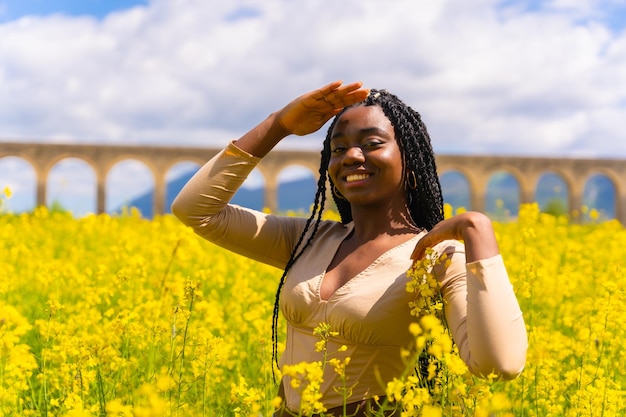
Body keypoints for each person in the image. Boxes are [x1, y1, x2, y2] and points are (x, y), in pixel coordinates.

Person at [171, 81, 527, 415]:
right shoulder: (308, 239)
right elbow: (195, 210)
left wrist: (478, 230)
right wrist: (278, 124)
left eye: (372, 143)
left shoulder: (437, 256)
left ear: (412, 160)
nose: (352, 156)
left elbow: (500, 364)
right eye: (338, 148)